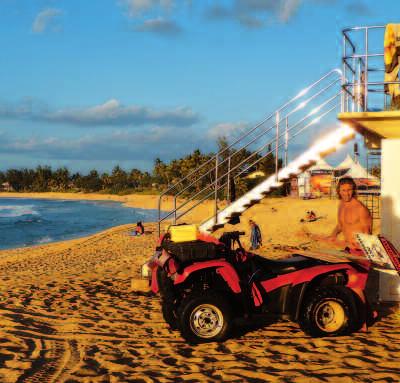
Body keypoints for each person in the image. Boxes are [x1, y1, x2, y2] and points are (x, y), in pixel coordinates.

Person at [325, 177, 372, 251]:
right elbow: (340, 225)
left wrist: (361, 248)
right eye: (343, 190)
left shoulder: (360, 208)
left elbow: (368, 234)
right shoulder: (341, 204)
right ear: (339, 191)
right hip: (347, 247)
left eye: (349, 190)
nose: (346, 193)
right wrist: (333, 235)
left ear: (353, 190)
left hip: (360, 250)